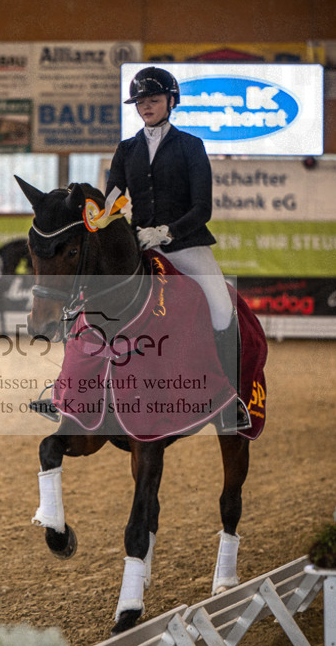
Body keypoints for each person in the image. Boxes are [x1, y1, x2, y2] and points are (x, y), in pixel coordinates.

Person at [105, 66, 251, 430]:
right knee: (97, 305)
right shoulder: (126, 149)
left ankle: (230, 398)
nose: (146, 107)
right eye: (140, 101)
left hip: (186, 246)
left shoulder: (190, 146)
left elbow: (203, 208)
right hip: (141, 246)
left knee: (222, 309)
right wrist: (103, 215)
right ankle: (71, 388)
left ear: (171, 101)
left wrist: (167, 232)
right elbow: (112, 198)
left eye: (153, 100)